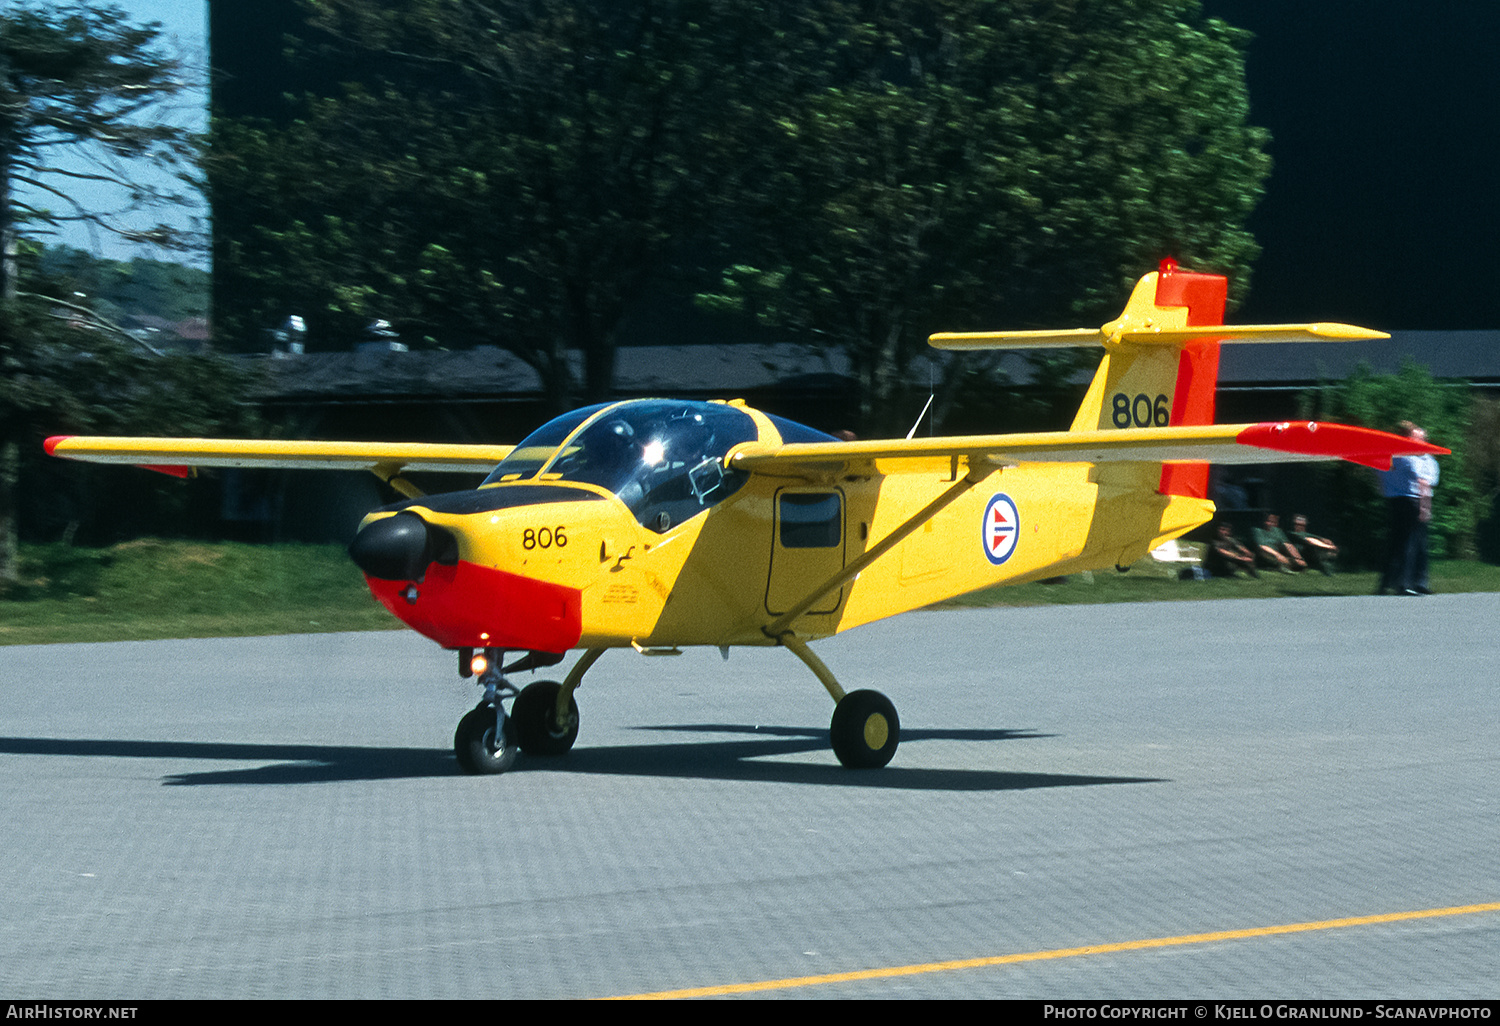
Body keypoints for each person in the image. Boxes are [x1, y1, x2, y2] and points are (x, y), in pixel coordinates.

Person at [1377, 421, 1441, 595]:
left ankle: (1393, 583)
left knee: (1404, 543)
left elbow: (1380, 476)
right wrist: (1425, 508)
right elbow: (1423, 484)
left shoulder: (1392, 454)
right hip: (1412, 501)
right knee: (1410, 544)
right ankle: (1405, 584)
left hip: (1395, 501)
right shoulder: (1410, 458)